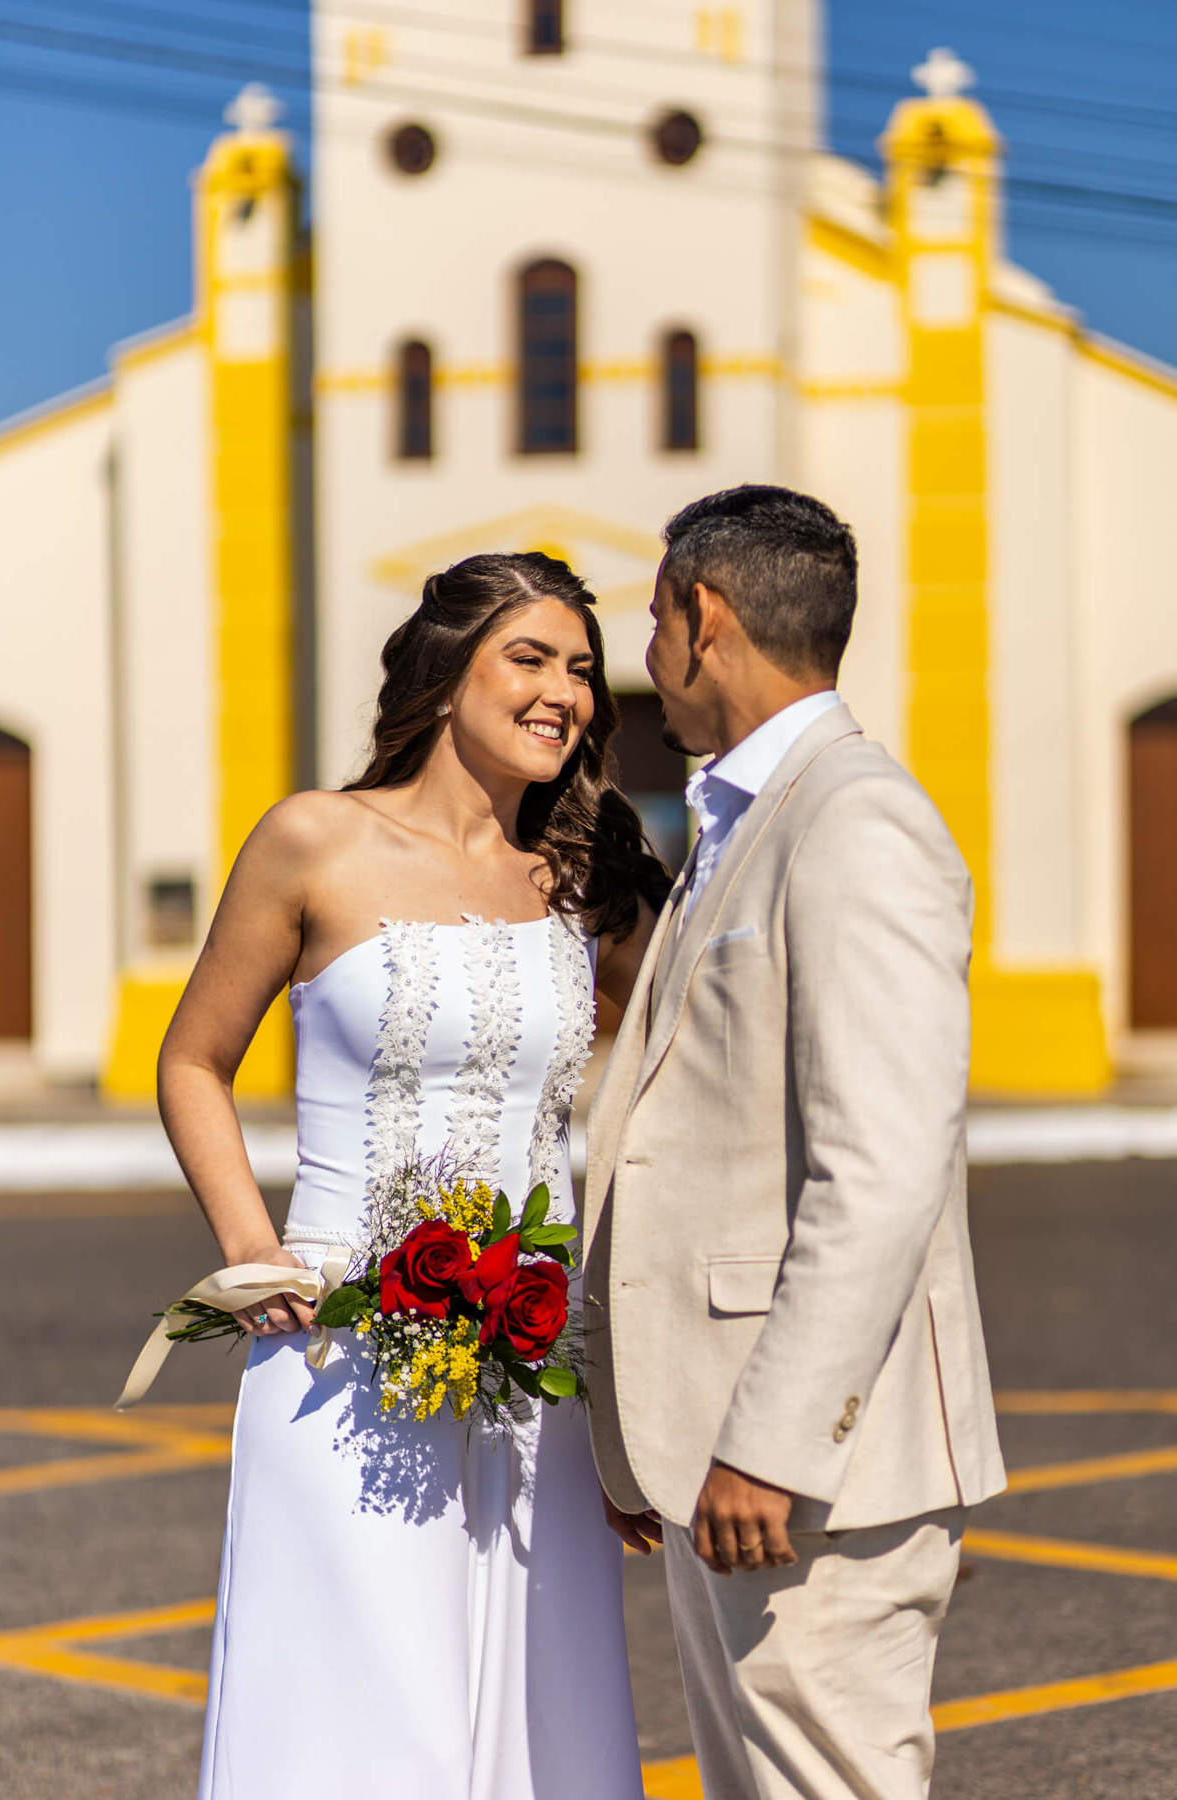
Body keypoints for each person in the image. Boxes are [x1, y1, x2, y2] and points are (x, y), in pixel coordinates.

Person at [157, 552, 668, 1800]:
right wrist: (255, 1252)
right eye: (530, 658)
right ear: (447, 675)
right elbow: (194, 1060)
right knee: (362, 1710)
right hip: (340, 1348)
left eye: (583, 669)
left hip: (538, 1364)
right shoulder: (313, 839)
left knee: (541, 1706)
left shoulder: (585, 865)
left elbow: (681, 1052)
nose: (565, 693)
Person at [583, 485, 1006, 1800]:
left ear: (705, 617)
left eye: (655, 620)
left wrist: (770, 1442)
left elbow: (882, 1168)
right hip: (717, 1445)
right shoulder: (744, 815)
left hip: (805, 1470)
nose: (647, 653)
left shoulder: (855, 819)